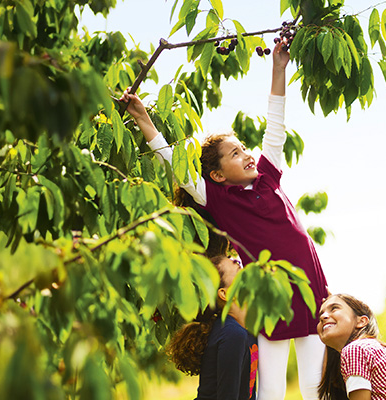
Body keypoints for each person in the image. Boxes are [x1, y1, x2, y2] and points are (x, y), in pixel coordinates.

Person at [121, 41, 329, 399]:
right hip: (268, 299)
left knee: (315, 385)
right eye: (235, 154)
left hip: (311, 288)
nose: (247, 154)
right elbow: (177, 166)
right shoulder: (218, 198)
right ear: (217, 175)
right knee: (272, 390)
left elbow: (275, 128)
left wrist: (278, 69)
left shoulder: (268, 175)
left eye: (244, 148)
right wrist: (143, 118)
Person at [167, 255, 258, 400]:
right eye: (237, 267)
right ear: (224, 293)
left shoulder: (245, 332)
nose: (238, 262)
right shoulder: (232, 334)